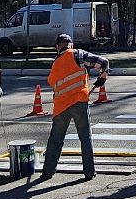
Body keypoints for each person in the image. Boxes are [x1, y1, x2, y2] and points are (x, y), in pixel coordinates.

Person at [40, 33, 96, 180]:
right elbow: (103, 62)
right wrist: (103, 76)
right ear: (71, 44)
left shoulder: (56, 62)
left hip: (61, 107)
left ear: (57, 47)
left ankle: (48, 171)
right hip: (79, 102)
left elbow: (52, 82)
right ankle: (89, 172)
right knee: (85, 138)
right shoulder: (79, 55)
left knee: (56, 139)